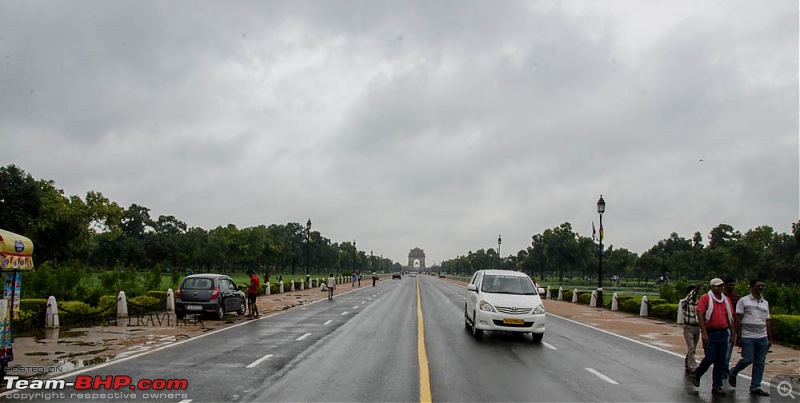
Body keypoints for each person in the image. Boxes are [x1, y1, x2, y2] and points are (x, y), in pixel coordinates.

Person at [691, 278, 735, 396]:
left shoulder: (726, 300)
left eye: (721, 286)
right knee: (710, 357)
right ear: (711, 287)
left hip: (723, 332)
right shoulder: (706, 298)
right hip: (710, 332)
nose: (719, 288)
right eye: (717, 286)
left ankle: (717, 386)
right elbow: (700, 314)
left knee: (720, 360)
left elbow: (731, 318)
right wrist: (704, 333)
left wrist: (733, 334)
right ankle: (698, 373)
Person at [728, 279, 772, 396]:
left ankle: (755, 386)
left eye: (762, 286)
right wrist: (739, 336)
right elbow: (738, 319)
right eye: (758, 286)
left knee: (760, 362)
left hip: (762, 336)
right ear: (751, 287)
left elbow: (767, 321)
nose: (760, 288)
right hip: (747, 335)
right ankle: (734, 371)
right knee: (748, 359)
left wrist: (769, 338)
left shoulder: (765, 303)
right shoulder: (744, 301)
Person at [677, 285, 700, 374]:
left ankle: (688, 364)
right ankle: (693, 366)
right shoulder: (685, 302)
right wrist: (694, 290)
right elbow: (689, 298)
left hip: (696, 327)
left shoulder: (698, 303)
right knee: (691, 347)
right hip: (688, 327)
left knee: (693, 348)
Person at [722, 278, 741, 378]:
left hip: (733, 325)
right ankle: (723, 368)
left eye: (733, 285)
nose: (731, 287)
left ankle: (724, 367)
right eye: (729, 284)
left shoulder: (737, 298)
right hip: (723, 325)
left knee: (729, 348)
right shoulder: (721, 297)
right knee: (725, 348)